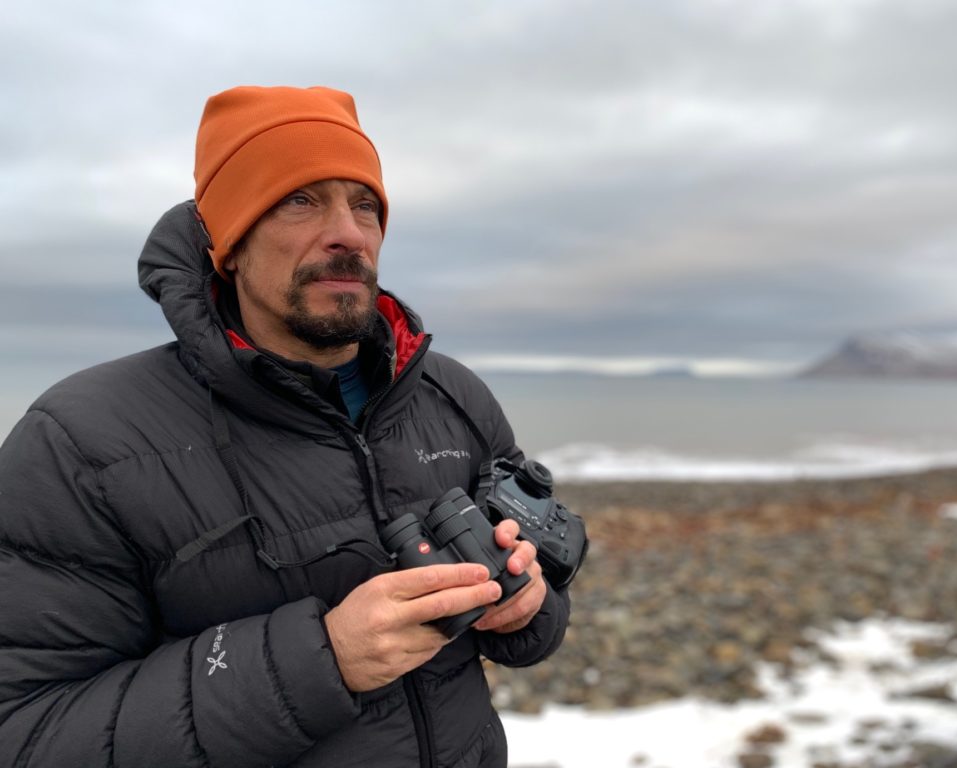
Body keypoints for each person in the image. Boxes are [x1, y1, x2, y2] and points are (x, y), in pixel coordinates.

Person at [0, 86, 570, 768]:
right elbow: (26, 731)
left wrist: (527, 607)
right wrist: (321, 660)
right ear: (229, 244)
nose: (349, 233)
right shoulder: (82, 441)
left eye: (365, 205)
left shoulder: (451, 393)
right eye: (301, 199)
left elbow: (544, 592)